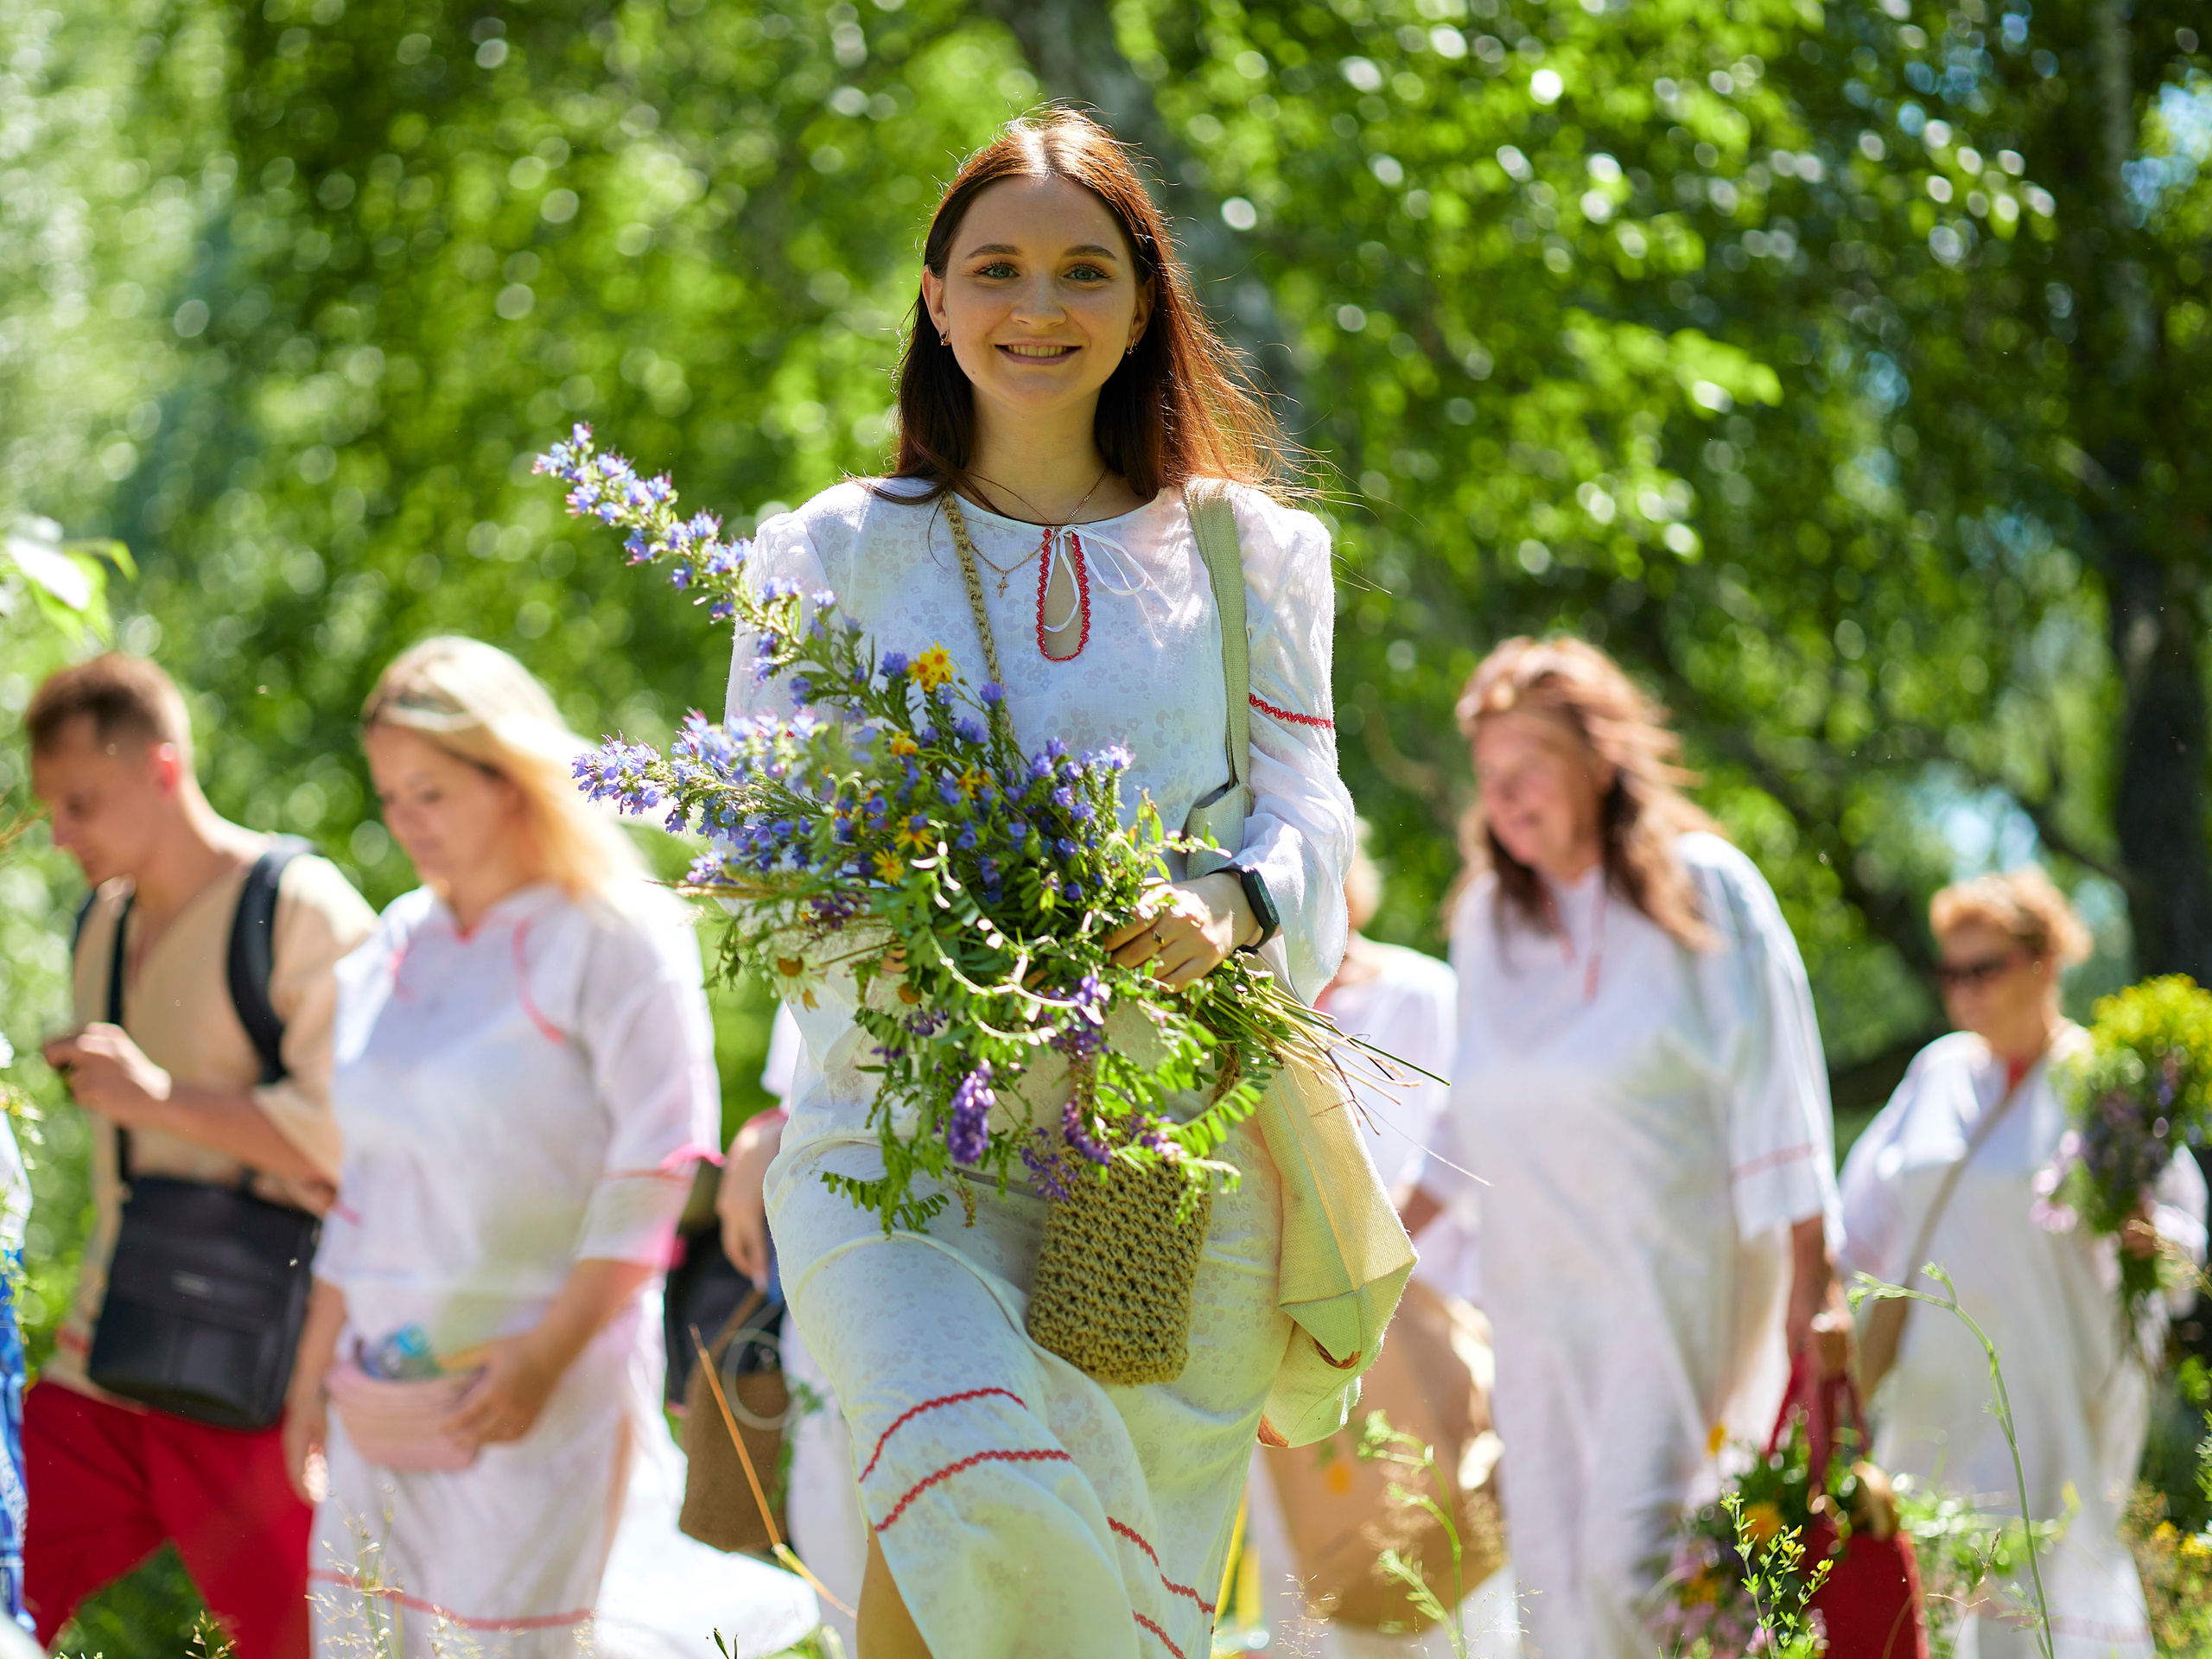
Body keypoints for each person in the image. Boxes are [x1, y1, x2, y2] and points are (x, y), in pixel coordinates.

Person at [728, 111, 1355, 1659]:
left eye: (1084, 272)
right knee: (976, 1490)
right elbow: (757, 843)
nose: (1038, 307)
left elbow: (1312, 816)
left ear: (1143, 302)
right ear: (937, 300)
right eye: (997, 269)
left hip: (1146, 1175)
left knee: (1003, 1573)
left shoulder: (1250, 555)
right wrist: (917, 930)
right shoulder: (822, 553)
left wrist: (1238, 900)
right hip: (896, 1144)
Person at [283, 638, 816, 1656]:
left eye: (430, 792)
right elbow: (366, 1181)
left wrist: (544, 1358)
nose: (405, 824)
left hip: (538, 1402)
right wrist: (313, 1371)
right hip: (380, 1399)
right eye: (390, 796)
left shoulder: (616, 934)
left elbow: (653, 1171)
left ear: (510, 778)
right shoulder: (395, 944)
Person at [1400, 636, 1846, 1659]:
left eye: (1528, 770)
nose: (1504, 800)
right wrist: (1372, 1259)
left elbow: (1780, 1093)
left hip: (1677, 1275)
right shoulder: (1483, 923)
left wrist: (1815, 1284)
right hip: (1538, 1296)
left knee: (1637, 1555)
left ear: (1599, 760)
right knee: (1553, 1579)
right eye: (1489, 779)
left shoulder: (1706, 889)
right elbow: (1466, 1122)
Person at [27, 653, 377, 1657]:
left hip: (260, 1376)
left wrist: (161, 1100)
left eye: (82, 802)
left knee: (307, 1645)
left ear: (163, 770)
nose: (63, 834)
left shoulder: (300, 907)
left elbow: (363, 1144)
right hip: (107, 1359)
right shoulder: (100, 924)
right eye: (53, 809)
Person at [1838, 868, 2208, 1656]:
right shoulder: (1936, 1074)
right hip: (1932, 1396)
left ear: (2043, 963)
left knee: (2042, 1600)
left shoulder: (2101, 1081)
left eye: (1985, 968)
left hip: (2049, 1393)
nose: (1964, 990)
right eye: (1951, 972)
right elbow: (1858, 1226)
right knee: (1927, 1596)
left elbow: (2187, 1237)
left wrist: (2151, 1237)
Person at [1247, 840, 1521, 1658]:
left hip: (1419, 1315)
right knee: (1317, 1585)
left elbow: (1463, 1153)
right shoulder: (1251, 1011)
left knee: (1454, 1567)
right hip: (1289, 1338)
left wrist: (1363, 1255)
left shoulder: (1421, 992)